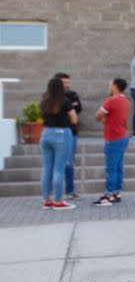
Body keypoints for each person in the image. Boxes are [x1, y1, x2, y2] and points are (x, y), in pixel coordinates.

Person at [39, 77, 78, 210]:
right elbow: (74, 118)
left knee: (47, 169)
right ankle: (58, 201)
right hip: (62, 134)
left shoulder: (44, 101)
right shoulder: (65, 101)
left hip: (45, 134)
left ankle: (46, 200)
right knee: (59, 169)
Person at [92, 78, 130, 206]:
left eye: (109, 85)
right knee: (118, 167)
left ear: (114, 86)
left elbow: (98, 116)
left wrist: (104, 118)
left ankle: (108, 196)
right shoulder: (125, 101)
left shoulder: (111, 101)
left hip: (113, 138)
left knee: (111, 169)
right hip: (123, 136)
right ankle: (116, 193)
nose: (108, 87)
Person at [54, 72, 82, 200]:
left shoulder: (72, 94)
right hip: (56, 133)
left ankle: (70, 191)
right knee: (56, 164)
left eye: (68, 83)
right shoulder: (51, 97)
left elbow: (79, 108)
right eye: (64, 83)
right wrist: (70, 109)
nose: (67, 85)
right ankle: (55, 193)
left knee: (69, 163)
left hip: (71, 133)